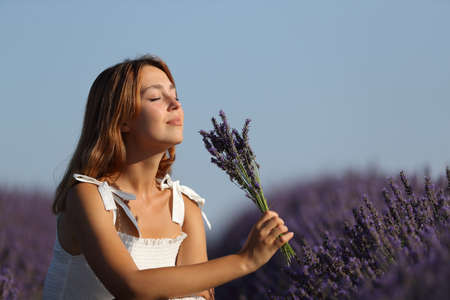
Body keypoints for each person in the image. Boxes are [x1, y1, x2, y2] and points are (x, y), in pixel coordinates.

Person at [41, 54, 294, 300]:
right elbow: (131, 287)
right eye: (155, 97)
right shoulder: (87, 197)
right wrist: (244, 261)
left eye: (176, 96)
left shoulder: (184, 210)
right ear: (122, 120)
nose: (175, 105)